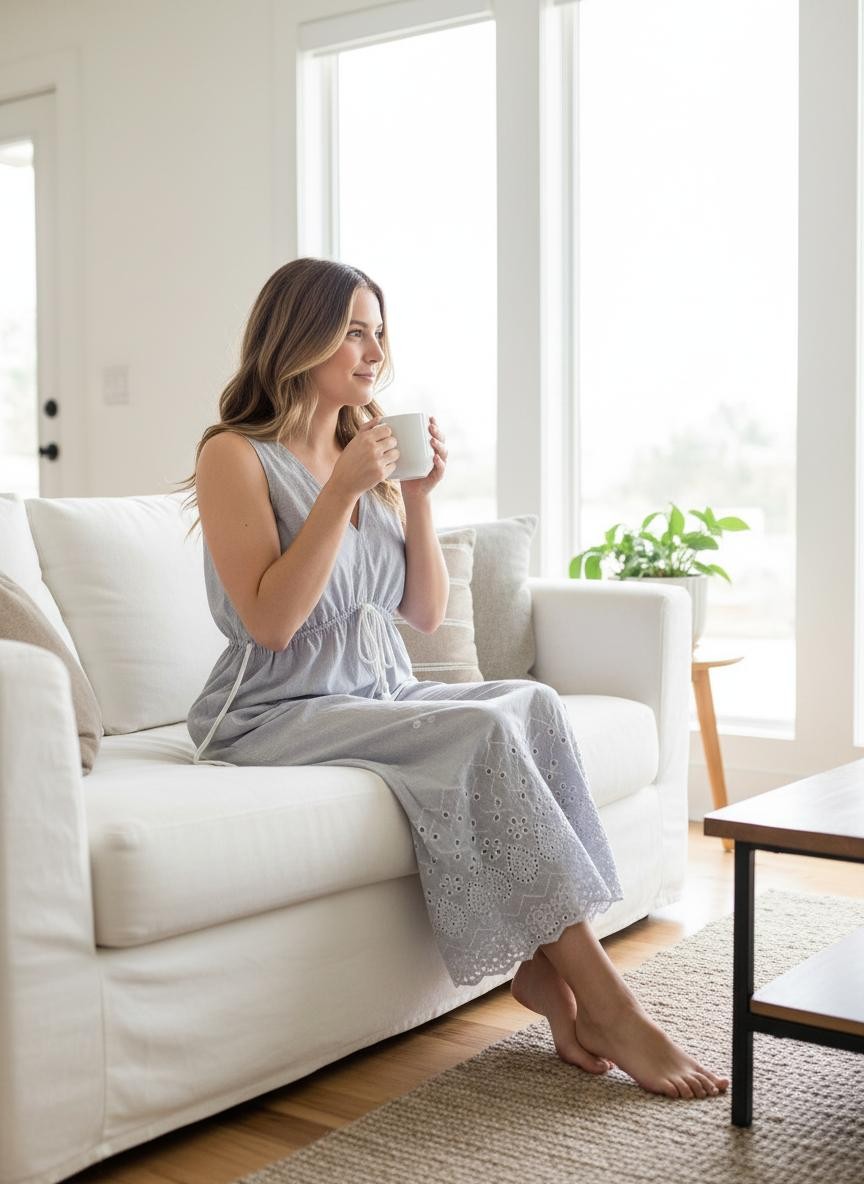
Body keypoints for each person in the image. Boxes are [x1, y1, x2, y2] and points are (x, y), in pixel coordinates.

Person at [177, 257, 729, 1101]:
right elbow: (271, 622)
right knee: (482, 729)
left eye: (379, 330)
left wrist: (422, 496)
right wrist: (340, 495)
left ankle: (548, 972)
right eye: (354, 329)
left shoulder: (359, 444)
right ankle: (609, 1002)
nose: (374, 350)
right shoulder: (235, 455)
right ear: (299, 335)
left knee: (531, 703)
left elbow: (424, 613)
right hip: (274, 709)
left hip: (377, 688)